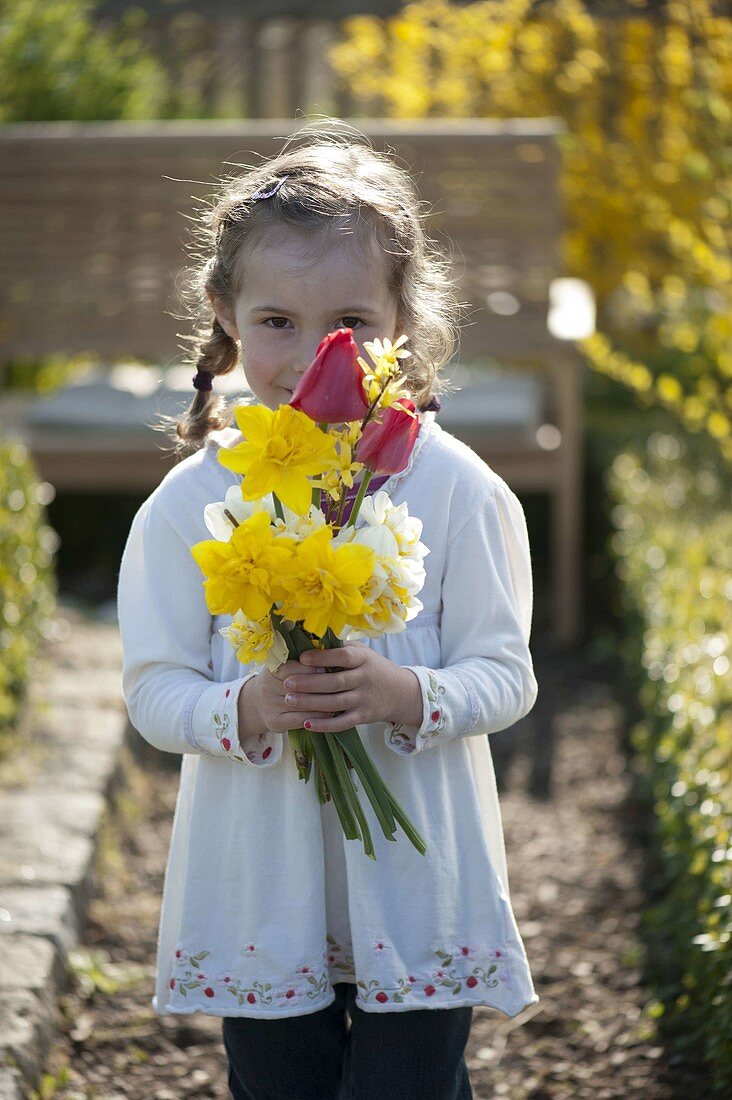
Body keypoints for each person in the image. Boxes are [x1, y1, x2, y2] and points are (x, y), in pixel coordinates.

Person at [117, 117, 540, 1100]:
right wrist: (244, 708)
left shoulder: (454, 489)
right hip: (263, 883)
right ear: (227, 314)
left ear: (406, 322)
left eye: (351, 322)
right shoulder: (193, 503)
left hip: (415, 877)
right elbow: (155, 688)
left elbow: (505, 671)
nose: (316, 357)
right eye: (278, 322)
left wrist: (407, 691)